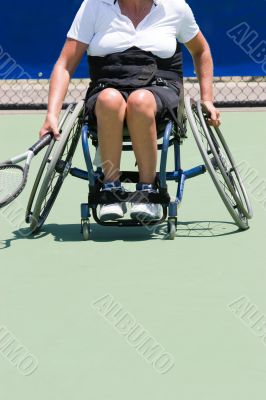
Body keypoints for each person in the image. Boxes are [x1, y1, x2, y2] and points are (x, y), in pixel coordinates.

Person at [39, 0, 221, 222]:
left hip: (160, 86)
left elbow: (201, 51)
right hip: (107, 85)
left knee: (140, 100)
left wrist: (207, 99)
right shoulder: (94, 6)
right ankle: (110, 189)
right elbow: (65, 65)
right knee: (109, 100)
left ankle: (149, 189)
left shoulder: (175, 6)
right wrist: (52, 114)